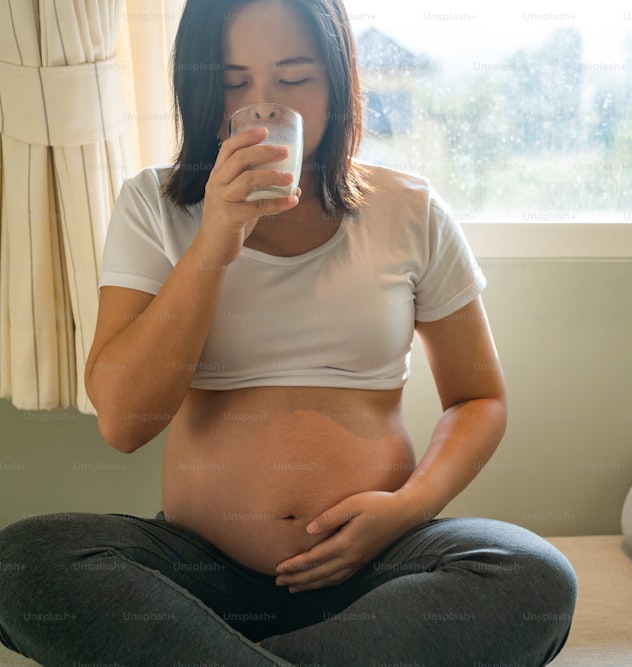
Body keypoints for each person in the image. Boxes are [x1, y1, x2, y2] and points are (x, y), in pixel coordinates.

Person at [0, 0, 577, 664]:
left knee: (531, 576)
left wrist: (409, 507)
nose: (266, 106)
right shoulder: (152, 207)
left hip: (375, 569)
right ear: (196, 83)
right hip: (201, 576)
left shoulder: (410, 209)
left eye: (295, 77)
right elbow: (125, 422)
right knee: (22, 561)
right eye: (234, 80)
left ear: (338, 80)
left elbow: (480, 397)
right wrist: (216, 239)